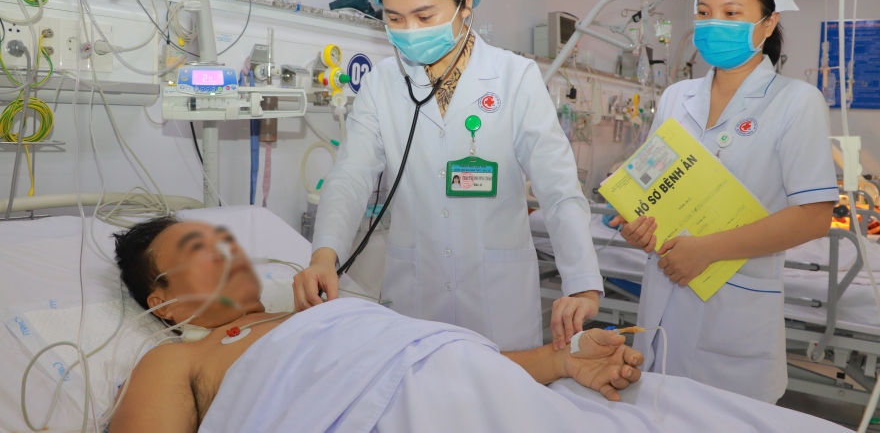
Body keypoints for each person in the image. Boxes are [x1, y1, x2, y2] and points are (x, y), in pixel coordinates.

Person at [295, 0, 602, 352]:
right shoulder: (382, 83)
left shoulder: (515, 77)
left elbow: (559, 187)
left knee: (499, 389)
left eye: (425, 16)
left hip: (498, 300)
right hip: (415, 295)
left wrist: (582, 283)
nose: (410, 31)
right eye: (394, 18)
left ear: (466, 2)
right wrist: (323, 256)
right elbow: (351, 176)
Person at [107, 217, 642, 432]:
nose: (226, 255)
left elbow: (432, 361)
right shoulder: (176, 360)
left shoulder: (312, 315)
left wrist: (561, 360)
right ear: (164, 303)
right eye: (198, 253)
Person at [610, 0, 837, 403]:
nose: (715, 24)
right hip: (661, 303)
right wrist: (638, 228)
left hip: (734, 317)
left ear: (768, 23)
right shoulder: (676, 98)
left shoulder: (797, 102)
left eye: (732, 13)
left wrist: (707, 250)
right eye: (704, 12)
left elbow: (814, 217)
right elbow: (648, 190)